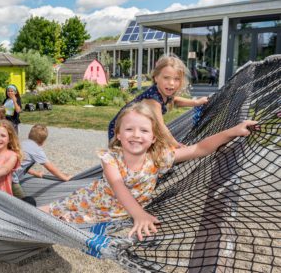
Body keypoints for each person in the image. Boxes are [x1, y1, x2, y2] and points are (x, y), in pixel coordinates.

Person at [42, 102, 257, 241]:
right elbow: (118, 187)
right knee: (52, 211)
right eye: (129, 129)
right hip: (93, 199)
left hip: (117, 212)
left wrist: (232, 132)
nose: (136, 135)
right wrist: (139, 215)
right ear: (118, 135)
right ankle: (17, 211)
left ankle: (23, 212)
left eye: (144, 130)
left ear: (153, 137)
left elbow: (199, 149)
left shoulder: (157, 157)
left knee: (68, 221)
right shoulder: (111, 159)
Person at [107, 54, 209, 147]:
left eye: (176, 79)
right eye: (166, 78)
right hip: (121, 132)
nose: (171, 83)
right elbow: (161, 127)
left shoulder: (163, 93)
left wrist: (195, 103)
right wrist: (176, 145)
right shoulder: (153, 100)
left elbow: (175, 100)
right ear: (156, 78)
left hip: (136, 129)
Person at [12, 124, 72, 199]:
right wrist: (65, 178)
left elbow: (22, 164)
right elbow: (50, 167)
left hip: (7, 173)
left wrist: (35, 173)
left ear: (29, 135)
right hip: (12, 179)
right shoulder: (36, 150)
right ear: (43, 141)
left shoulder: (23, 143)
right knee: (23, 201)